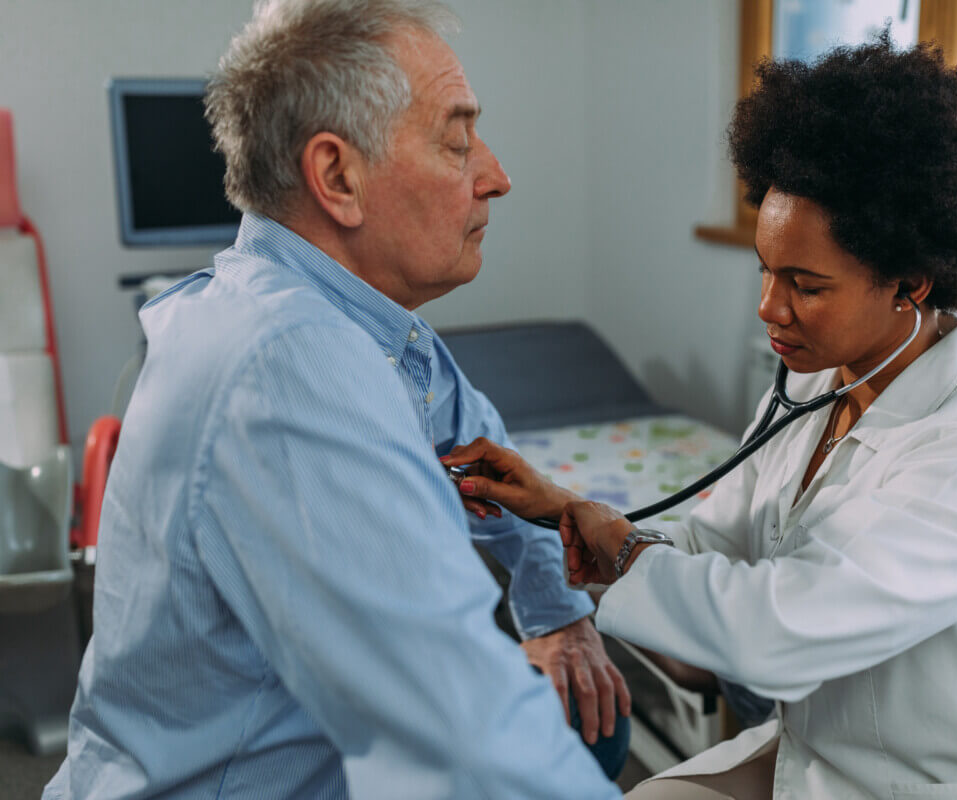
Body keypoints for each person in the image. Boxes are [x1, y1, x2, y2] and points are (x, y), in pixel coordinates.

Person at [444, 34, 957, 800]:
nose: (768, 307)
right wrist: (563, 510)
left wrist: (623, 556)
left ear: (911, 282)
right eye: (764, 269)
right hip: (820, 763)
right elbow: (708, 542)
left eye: (806, 284)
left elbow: (776, 634)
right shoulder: (808, 393)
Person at [44, 1, 628, 797]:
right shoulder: (289, 365)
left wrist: (555, 611)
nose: (495, 175)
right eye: (457, 142)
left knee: (589, 721)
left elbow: (480, 447)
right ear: (338, 177)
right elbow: (461, 724)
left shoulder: (344, 317)